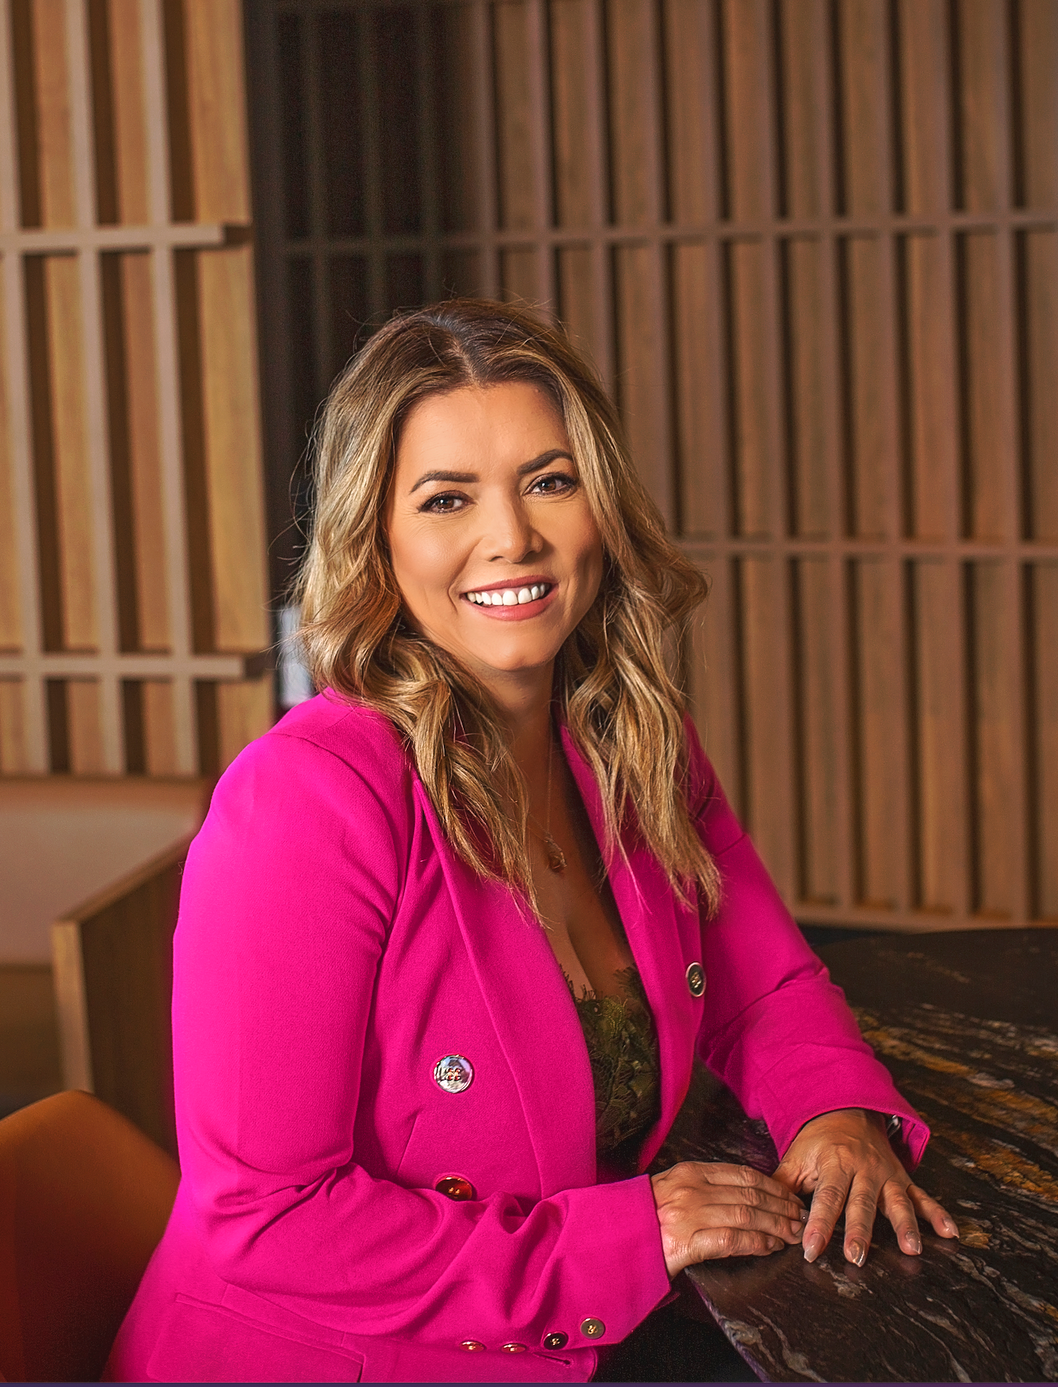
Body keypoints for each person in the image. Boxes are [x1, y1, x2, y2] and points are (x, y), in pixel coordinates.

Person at [107, 299, 956, 1384]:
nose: (511, 538)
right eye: (447, 498)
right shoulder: (304, 805)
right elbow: (266, 1219)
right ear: (378, 538)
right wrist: (624, 1237)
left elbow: (763, 980)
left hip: (576, 1335)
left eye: (549, 481)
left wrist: (835, 1112)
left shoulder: (633, 741)